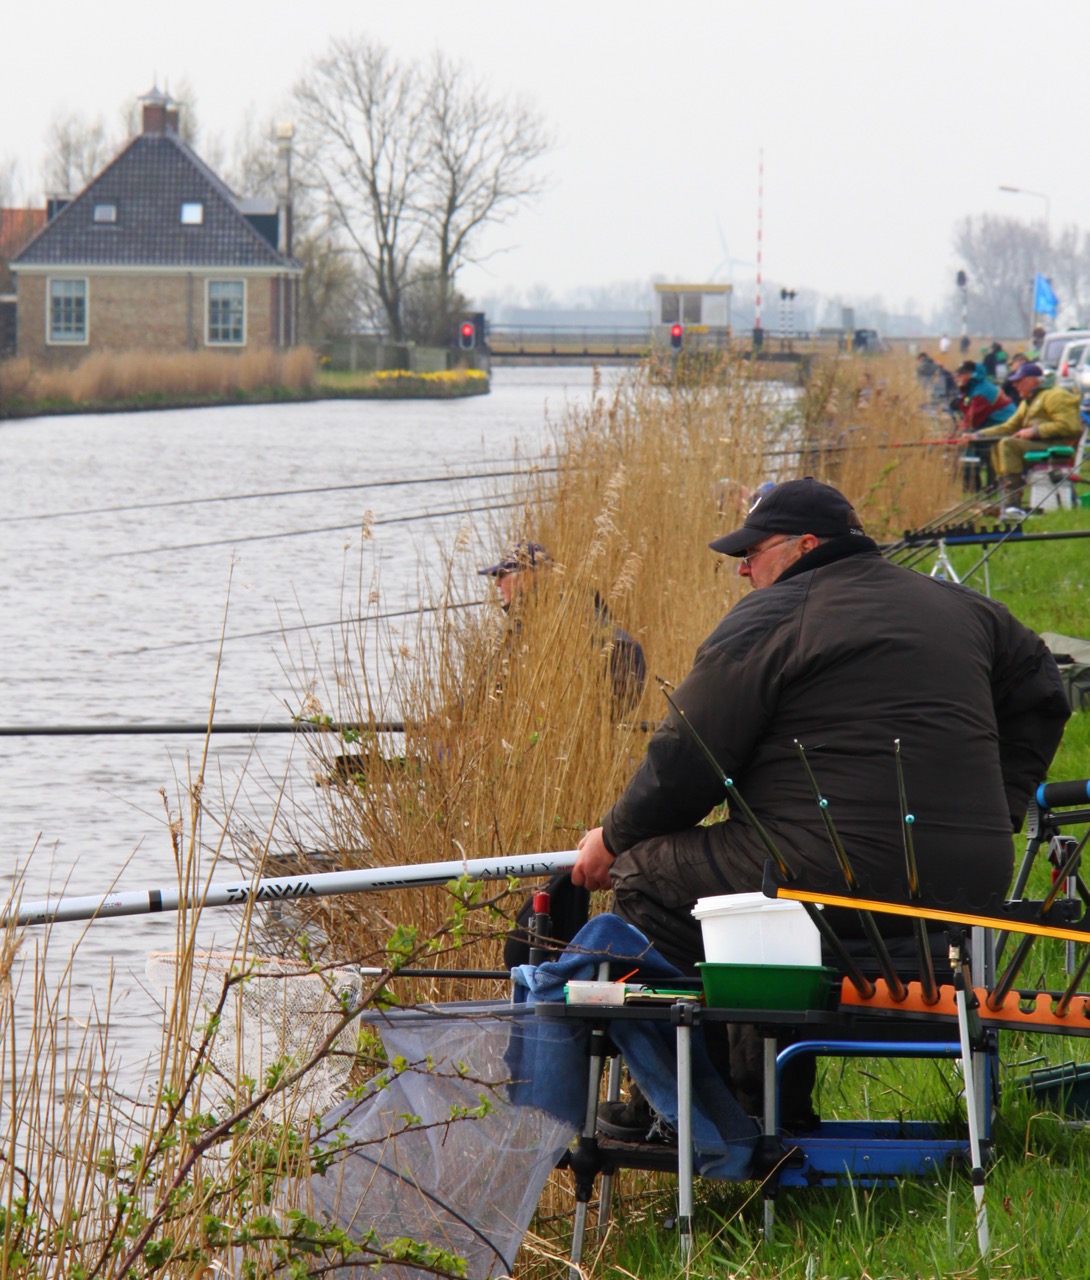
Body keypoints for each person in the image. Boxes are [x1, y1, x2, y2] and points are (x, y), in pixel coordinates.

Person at [574, 477, 1068, 1119]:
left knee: (649, 877)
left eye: (752, 552)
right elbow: (1045, 692)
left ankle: (704, 1113)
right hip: (969, 887)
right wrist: (997, 810)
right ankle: (766, 1104)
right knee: (760, 881)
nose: (743, 569)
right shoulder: (967, 608)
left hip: (838, 879)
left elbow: (686, 757)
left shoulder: (773, 615)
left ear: (806, 545)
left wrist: (613, 839)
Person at [478, 539, 647, 716]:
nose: (497, 583)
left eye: (502, 575)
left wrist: (593, 712)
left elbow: (628, 652)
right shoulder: (546, 613)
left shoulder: (562, 616)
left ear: (526, 575)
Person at [960, 362, 1083, 510]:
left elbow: (1069, 426)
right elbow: (1008, 427)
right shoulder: (1028, 401)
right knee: (998, 445)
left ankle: (1012, 502)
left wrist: (1034, 431)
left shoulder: (1056, 396)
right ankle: (1006, 495)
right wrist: (977, 435)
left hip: (1058, 447)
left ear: (1032, 380)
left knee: (1009, 445)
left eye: (1018, 381)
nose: (1014, 385)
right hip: (1042, 445)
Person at [953, 360, 1017, 488]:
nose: (958, 377)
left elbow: (972, 420)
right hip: (992, 425)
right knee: (967, 436)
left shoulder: (982, 392)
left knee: (968, 440)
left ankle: (970, 482)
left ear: (973, 375)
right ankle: (973, 481)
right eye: (958, 374)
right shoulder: (974, 389)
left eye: (962, 374)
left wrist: (956, 434)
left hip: (1004, 427)